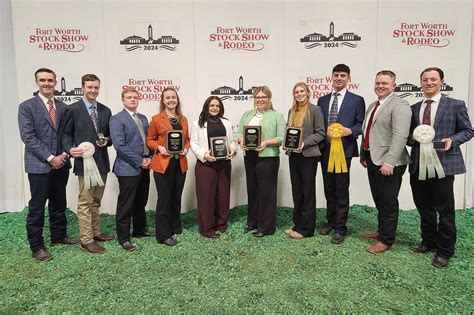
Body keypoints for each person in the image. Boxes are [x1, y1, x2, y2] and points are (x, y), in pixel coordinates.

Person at [409, 67, 473, 268]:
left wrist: (452, 140)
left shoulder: (455, 105)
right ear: (421, 83)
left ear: (441, 82)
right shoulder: (414, 108)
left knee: (445, 210)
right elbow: (410, 138)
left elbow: (468, 130)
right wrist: (411, 138)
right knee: (423, 206)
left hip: (444, 165)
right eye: (425, 79)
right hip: (419, 164)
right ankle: (428, 241)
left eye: (433, 79)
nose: (429, 82)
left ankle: (445, 250)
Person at [18, 68, 79, 262]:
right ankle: (37, 247)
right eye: (43, 80)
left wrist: (62, 156)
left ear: (55, 83)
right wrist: (50, 158)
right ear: (37, 83)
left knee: (58, 202)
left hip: (61, 163)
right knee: (37, 207)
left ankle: (58, 236)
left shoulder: (63, 107)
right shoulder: (27, 107)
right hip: (39, 165)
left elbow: (65, 136)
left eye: (50, 80)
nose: (47, 83)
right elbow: (28, 137)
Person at [359, 70, 411, 254]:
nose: (380, 86)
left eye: (385, 83)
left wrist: (390, 162)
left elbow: (400, 135)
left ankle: (387, 240)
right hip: (373, 159)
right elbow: (368, 132)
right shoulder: (374, 104)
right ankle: (382, 231)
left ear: (393, 86)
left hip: (390, 162)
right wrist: (364, 155)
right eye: (378, 83)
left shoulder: (400, 105)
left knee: (388, 202)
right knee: (379, 199)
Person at [63, 74, 115, 254]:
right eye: (89, 87)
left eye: (96, 88)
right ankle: (86, 240)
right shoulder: (72, 109)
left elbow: (109, 136)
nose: (93, 91)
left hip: (101, 161)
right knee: (85, 202)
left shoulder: (105, 110)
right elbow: (66, 135)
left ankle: (95, 232)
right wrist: (70, 149)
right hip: (84, 162)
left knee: (96, 200)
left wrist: (106, 141)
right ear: (82, 88)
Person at [317, 64, 366, 244]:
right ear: (331, 77)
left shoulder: (356, 100)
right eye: (336, 75)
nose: (339, 78)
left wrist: (348, 131)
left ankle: (340, 227)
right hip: (325, 150)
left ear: (348, 78)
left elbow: (361, 125)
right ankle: (330, 221)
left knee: (341, 189)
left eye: (343, 75)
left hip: (344, 151)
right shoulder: (322, 100)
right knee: (328, 187)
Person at [236, 86, 286, 237]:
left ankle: (265, 227)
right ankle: (253, 222)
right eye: (258, 97)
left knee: (267, 192)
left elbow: (281, 138)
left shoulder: (277, 116)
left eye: (264, 97)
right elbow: (238, 133)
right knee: (253, 190)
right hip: (249, 156)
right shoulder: (247, 115)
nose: (260, 100)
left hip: (268, 158)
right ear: (254, 99)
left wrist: (265, 143)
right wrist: (242, 141)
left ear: (269, 99)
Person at [109, 87, 154, 252]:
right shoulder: (116, 119)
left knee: (141, 200)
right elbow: (119, 146)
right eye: (129, 97)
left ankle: (140, 230)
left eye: (135, 97)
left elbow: (148, 140)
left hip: (145, 166)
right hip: (128, 168)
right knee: (126, 204)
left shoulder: (142, 118)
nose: (133, 100)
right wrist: (139, 160)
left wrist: (150, 157)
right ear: (123, 100)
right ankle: (124, 238)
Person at [147, 87, 190, 246]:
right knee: (164, 199)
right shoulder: (157, 119)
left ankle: (174, 226)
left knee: (176, 197)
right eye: (168, 97)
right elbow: (150, 140)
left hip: (180, 163)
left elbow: (187, 139)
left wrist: (186, 147)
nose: (171, 100)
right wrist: (159, 147)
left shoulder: (183, 119)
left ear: (177, 100)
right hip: (163, 164)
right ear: (163, 100)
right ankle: (163, 234)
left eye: (173, 97)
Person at [190, 96, 237, 238]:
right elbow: (193, 143)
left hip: (224, 164)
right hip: (206, 165)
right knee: (206, 198)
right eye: (212, 105)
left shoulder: (227, 123)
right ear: (206, 107)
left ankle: (221, 224)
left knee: (223, 195)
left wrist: (233, 150)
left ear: (221, 108)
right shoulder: (197, 123)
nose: (215, 108)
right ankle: (207, 229)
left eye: (217, 105)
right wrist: (204, 155)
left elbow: (232, 141)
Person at [284, 82, 325, 240]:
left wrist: (304, 143)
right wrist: (287, 145)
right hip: (294, 156)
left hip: (308, 156)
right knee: (297, 191)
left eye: (302, 91)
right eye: (296, 92)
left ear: (308, 93)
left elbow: (321, 133)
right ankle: (297, 225)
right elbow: (290, 132)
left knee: (307, 192)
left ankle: (307, 229)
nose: (299, 94)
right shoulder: (291, 111)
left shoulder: (315, 110)